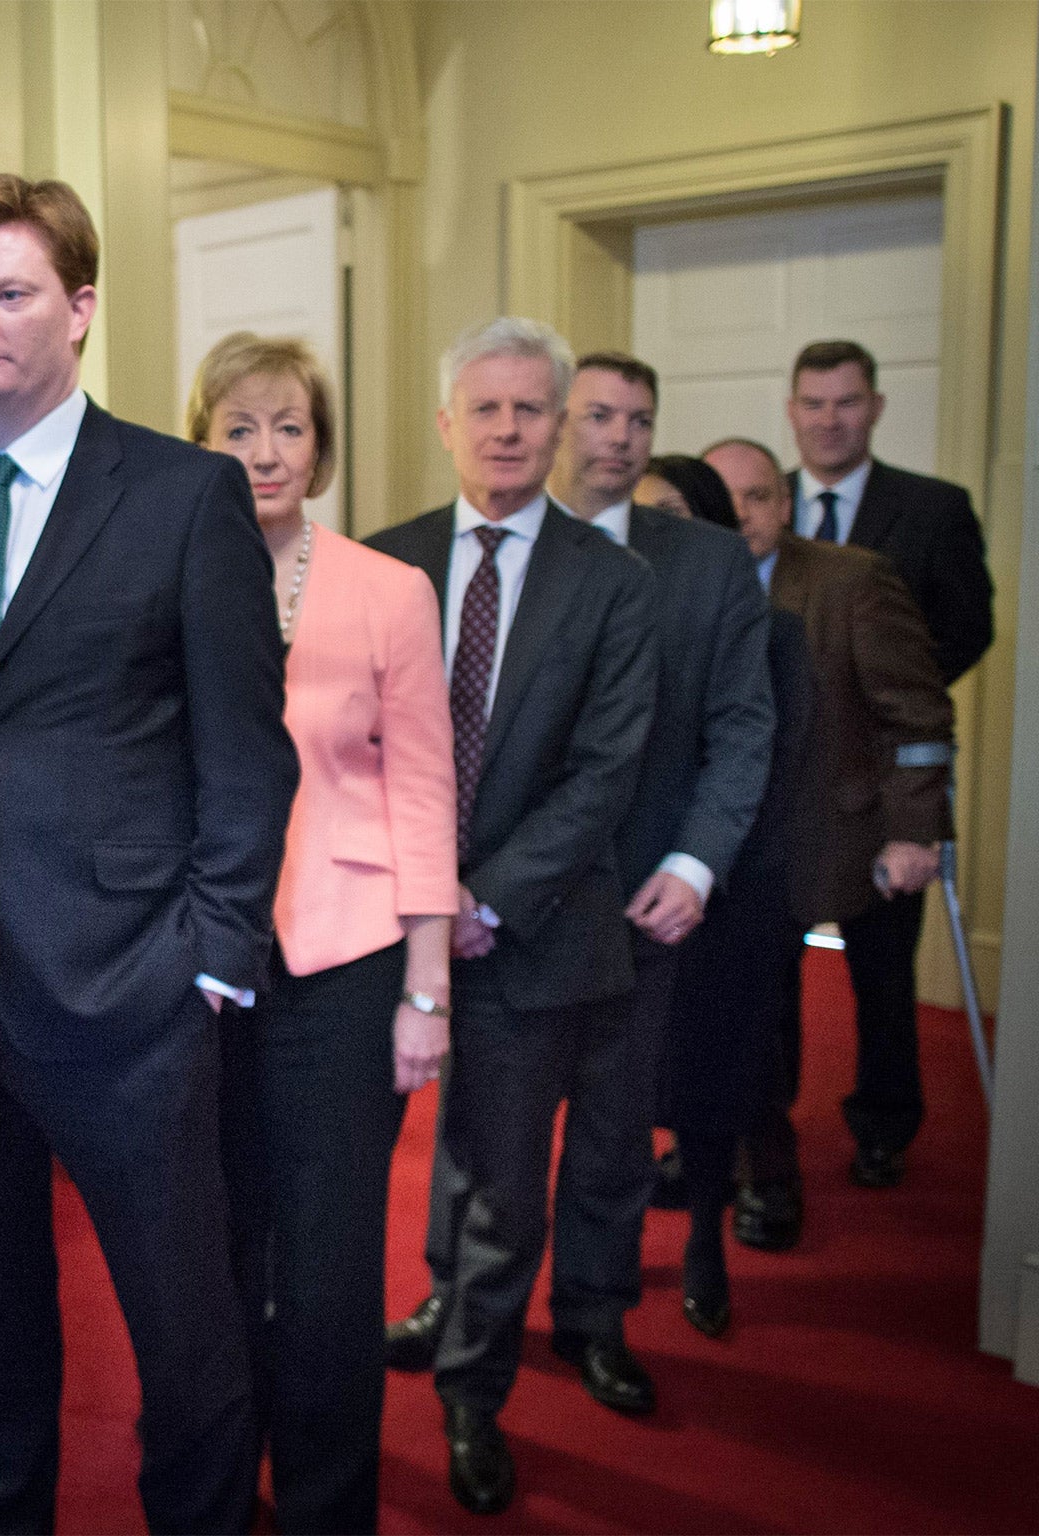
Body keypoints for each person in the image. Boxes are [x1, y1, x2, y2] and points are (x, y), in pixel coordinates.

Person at [0, 175, 297, 1536]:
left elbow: (247, 752)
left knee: (187, 1342)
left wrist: (213, 965)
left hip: (133, 1002)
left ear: (82, 308)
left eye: (10, 292)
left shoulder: (182, 498)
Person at [368, 319, 657, 1516]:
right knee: (373, 1167)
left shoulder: (612, 583)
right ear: (444, 423)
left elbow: (605, 774)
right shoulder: (374, 566)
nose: (503, 429)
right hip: (371, 930)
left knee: (497, 1181)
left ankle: (470, 1400)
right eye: (481, 409)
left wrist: (478, 900)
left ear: (558, 423)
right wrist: (407, 898)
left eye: (528, 410)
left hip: (527, 933)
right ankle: (413, 1319)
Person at [187, 333, 456, 1534]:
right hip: (203, 968)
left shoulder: (387, 588)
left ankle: (327, 1506)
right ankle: (220, 1488)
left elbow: (424, 789)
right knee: (218, 1254)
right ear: (199, 441)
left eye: (287, 425)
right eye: (237, 427)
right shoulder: (165, 574)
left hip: (346, 963)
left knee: (333, 1264)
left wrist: (426, 984)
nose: (264, 450)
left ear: (321, 443)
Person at [545, 356, 773, 1364]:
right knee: (483, 1141)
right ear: (557, 423)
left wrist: (694, 866)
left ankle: (594, 1322)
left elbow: (741, 729)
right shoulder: (488, 546)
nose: (618, 437)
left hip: (645, 898)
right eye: (596, 414)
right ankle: (465, 1320)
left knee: (612, 1132)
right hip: (502, 903)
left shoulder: (708, 564)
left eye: (638, 420)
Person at [704, 437, 953, 1202]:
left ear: (786, 504)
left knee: (880, 994)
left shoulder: (853, 582)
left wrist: (916, 831)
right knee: (759, 1004)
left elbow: (916, 711)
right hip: (746, 842)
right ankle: (761, 1154)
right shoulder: (694, 580)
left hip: (855, 830)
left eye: (759, 496)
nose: (743, 514)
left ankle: (883, 1131)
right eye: (728, 499)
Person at [638, 453, 818, 1332]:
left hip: (727, 896)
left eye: (671, 513)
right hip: (620, 897)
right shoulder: (603, 616)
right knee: (620, 1090)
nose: (650, 533)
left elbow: (768, 779)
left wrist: (699, 872)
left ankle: (706, 1241)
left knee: (711, 1086)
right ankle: (605, 1261)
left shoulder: (774, 632)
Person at [784, 339, 994, 684]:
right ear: (792, 411)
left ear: (876, 408)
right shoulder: (756, 505)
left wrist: (898, 700)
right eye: (813, 404)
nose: (828, 420)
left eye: (847, 403)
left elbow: (967, 630)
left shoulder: (936, 509)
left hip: (890, 730)